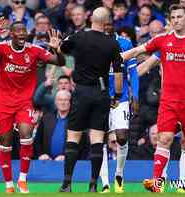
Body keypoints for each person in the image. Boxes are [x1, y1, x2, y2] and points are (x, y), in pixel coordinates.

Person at [122, 4, 185, 193]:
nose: (177, 20)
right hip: (168, 101)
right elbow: (141, 54)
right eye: (173, 17)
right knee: (164, 138)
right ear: (170, 21)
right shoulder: (163, 42)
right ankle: (157, 182)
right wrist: (119, 57)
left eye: (180, 16)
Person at [0, 18, 65, 193]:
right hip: (3, 103)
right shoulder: (2, 47)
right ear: (12, 34)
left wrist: (56, 48)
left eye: (24, 31)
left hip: (24, 102)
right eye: (18, 31)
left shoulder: (34, 50)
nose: (22, 33)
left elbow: (60, 62)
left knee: (26, 134)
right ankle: (9, 184)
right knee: (5, 142)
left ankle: (22, 179)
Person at [58, 7, 123, 192]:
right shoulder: (112, 44)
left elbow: (62, 49)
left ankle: (67, 184)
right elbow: (118, 74)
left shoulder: (79, 37)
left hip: (82, 92)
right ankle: (93, 185)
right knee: (96, 139)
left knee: (73, 137)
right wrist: (117, 95)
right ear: (106, 22)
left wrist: (57, 45)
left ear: (90, 19)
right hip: (101, 93)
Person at [99, 16, 139, 193]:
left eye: (108, 24)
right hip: (99, 98)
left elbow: (134, 72)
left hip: (120, 98)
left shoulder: (125, 43)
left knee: (122, 136)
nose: (106, 27)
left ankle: (119, 174)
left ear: (113, 25)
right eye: (103, 24)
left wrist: (135, 96)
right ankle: (105, 182)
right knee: (99, 140)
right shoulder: (94, 43)